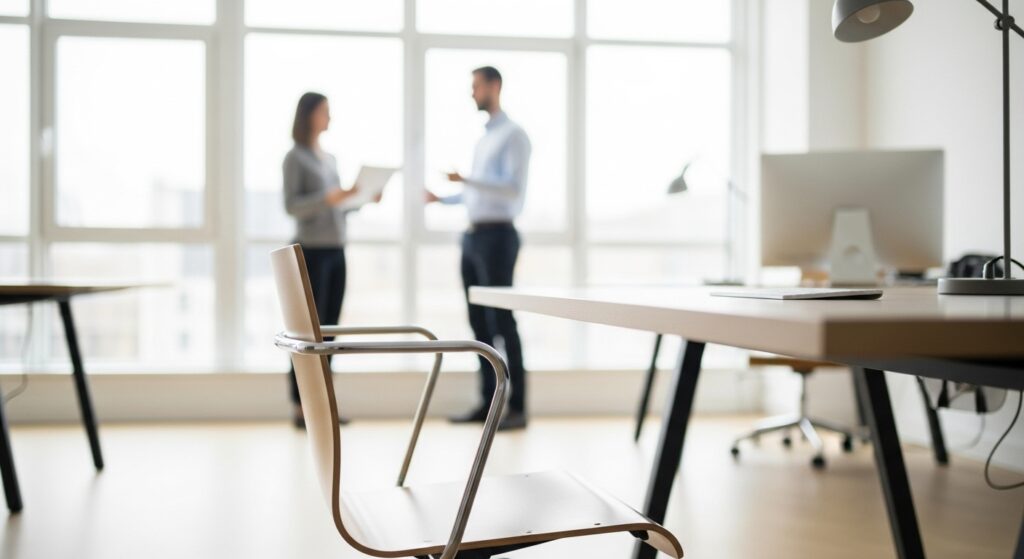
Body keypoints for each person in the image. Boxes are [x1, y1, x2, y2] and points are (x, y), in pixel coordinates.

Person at [426, 66, 532, 431]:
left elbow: (511, 189)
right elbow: (478, 193)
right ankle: (488, 404)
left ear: (494, 86)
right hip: (473, 237)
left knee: (503, 321)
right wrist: (445, 197)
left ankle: (517, 407)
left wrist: (466, 179)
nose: (472, 93)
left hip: (498, 238)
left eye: (476, 86)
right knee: (478, 325)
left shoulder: (514, 136)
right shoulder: (484, 139)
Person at [283, 91, 376, 428]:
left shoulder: (330, 159)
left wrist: (362, 198)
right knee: (308, 333)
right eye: (325, 111)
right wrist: (328, 197)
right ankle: (300, 406)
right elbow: (293, 206)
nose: (330, 117)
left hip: (336, 250)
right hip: (311, 252)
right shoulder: (295, 158)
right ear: (309, 115)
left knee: (329, 333)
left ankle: (324, 404)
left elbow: (338, 206)